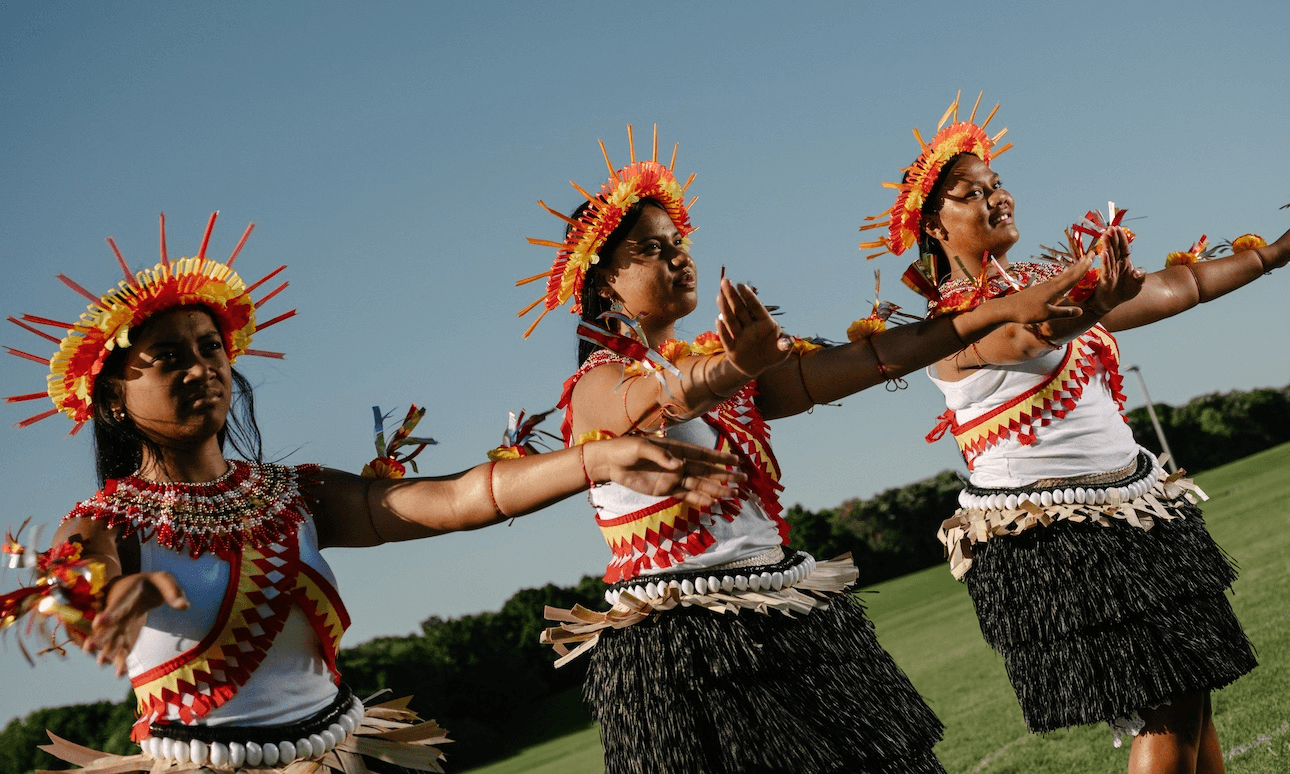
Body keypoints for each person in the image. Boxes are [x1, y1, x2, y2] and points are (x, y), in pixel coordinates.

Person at [0, 212, 743, 774]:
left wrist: (596, 461)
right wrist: (90, 601)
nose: (201, 368)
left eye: (210, 348)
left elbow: (458, 499)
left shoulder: (297, 496)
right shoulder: (109, 523)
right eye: (168, 358)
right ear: (111, 401)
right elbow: (70, 578)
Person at [520, 126, 1099, 774]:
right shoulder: (597, 386)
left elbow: (870, 360)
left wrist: (991, 313)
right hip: (697, 651)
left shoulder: (724, 366)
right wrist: (733, 364)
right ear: (603, 285)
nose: (678, 258)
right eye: (651, 250)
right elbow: (656, 402)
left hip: (791, 609)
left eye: (678, 243)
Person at [862, 93, 1285, 774]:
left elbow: (1180, 287)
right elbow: (1027, 332)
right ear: (935, 227)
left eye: (996, 185)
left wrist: (1276, 255)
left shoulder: (1048, 286)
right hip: (1058, 538)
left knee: (1192, 702)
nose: (996, 197)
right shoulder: (952, 325)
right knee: (1166, 708)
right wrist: (1094, 302)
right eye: (972, 193)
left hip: (1136, 511)